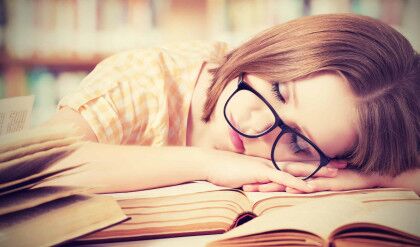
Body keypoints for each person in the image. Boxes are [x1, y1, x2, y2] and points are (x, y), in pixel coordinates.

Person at [46, 13, 420, 194]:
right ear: (273, 49)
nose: (257, 127)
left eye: (299, 143)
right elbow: (43, 166)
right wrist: (207, 163)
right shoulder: (143, 79)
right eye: (277, 91)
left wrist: (372, 175)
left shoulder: (318, 167)